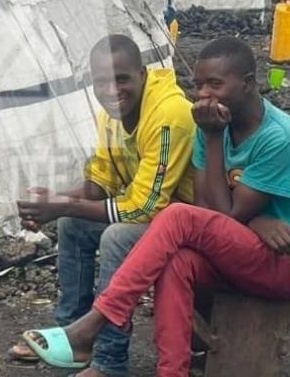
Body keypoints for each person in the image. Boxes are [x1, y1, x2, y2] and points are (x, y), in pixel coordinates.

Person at [21, 37, 290, 377]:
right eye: (198, 85)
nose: (204, 95)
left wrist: (212, 142)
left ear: (248, 83)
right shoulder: (209, 124)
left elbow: (215, 217)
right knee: (176, 261)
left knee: (175, 216)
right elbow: (206, 207)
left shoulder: (278, 138)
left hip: (284, 263)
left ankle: (92, 325)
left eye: (215, 85)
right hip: (237, 248)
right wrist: (253, 220)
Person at [11, 34, 196, 377]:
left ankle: (110, 362)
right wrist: (52, 202)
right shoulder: (111, 114)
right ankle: (71, 336)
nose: (112, 90)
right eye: (102, 82)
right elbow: (102, 183)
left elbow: (145, 208)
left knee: (116, 236)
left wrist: (63, 205)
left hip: (190, 226)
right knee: (73, 226)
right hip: (160, 219)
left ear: (142, 73)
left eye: (122, 79)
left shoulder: (169, 114)